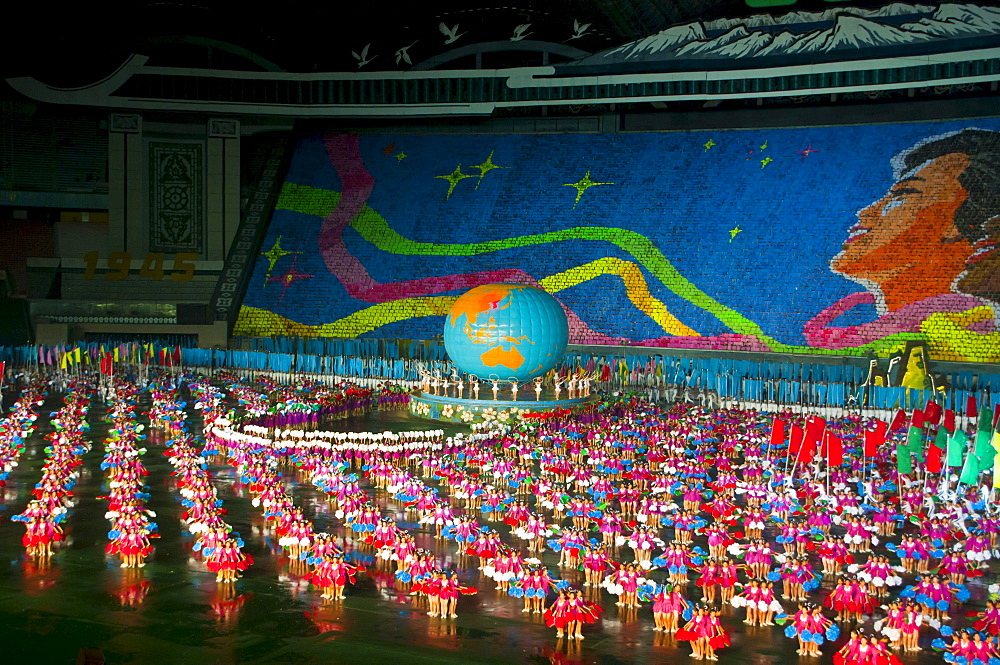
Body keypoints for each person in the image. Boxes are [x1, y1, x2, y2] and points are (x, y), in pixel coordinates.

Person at [806, 129, 1000, 352]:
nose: (866, 212)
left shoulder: (958, 316)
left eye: (902, 195)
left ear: (955, 224)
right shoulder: (908, 317)